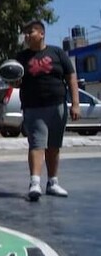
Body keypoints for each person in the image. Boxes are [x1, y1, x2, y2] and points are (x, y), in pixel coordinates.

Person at [10, 20, 79, 201]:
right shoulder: (21, 57)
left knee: (54, 146)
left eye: (29, 32)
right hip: (33, 107)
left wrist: (75, 104)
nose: (26, 36)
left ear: (41, 34)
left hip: (57, 106)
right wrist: (14, 82)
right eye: (24, 33)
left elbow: (71, 77)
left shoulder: (57, 53)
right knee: (37, 144)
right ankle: (35, 183)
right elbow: (15, 80)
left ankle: (53, 183)